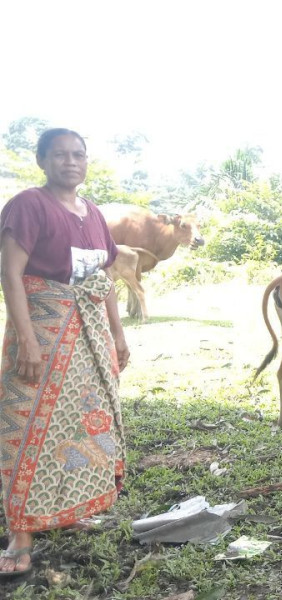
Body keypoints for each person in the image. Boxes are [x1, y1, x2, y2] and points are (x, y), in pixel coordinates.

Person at [0, 129, 129, 577]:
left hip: (89, 334)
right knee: (29, 426)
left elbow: (104, 277)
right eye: (60, 155)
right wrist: (28, 339)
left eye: (78, 155)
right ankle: (20, 534)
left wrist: (117, 333)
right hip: (45, 331)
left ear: (87, 162)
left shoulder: (93, 213)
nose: (70, 162)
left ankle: (71, 508)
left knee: (84, 418)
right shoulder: (28, 206)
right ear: (42, 161)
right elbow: (11, 275)